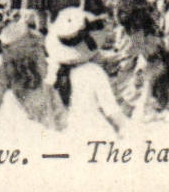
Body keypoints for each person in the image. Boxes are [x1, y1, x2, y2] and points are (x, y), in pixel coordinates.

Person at [44, 7, 125, 135]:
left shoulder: (52, 71)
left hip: (68, 132)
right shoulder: (93, 72)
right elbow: (113, 112)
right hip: (94, 131)